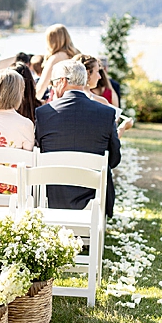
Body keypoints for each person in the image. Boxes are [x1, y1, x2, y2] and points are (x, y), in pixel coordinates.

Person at [36, 60, 120, 212]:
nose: (53, 88)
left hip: (52, 196)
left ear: (62, 81)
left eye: (54, 83)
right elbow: (114, 159)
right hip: (92, 198)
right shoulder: (106, 113)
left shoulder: (43, 113)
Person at [37, 24, 80, 100]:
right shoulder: (77, 55)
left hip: (60, 100)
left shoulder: (55, 58)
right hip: (78, 98)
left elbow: (41, 87)